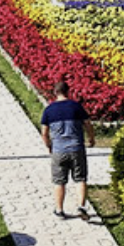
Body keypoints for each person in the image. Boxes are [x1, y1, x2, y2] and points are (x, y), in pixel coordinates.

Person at [40, 78, 96, 219]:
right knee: (80, 178)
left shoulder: (49, 110)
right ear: (68, 92)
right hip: (77, 148)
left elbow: (44, 133)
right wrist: (91, 138)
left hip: (59, 150)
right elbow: (88, 124)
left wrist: (49, 146)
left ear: (55, 92)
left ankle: (59, 210)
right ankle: (81, 207)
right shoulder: (76, 106)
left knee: (59, 181)